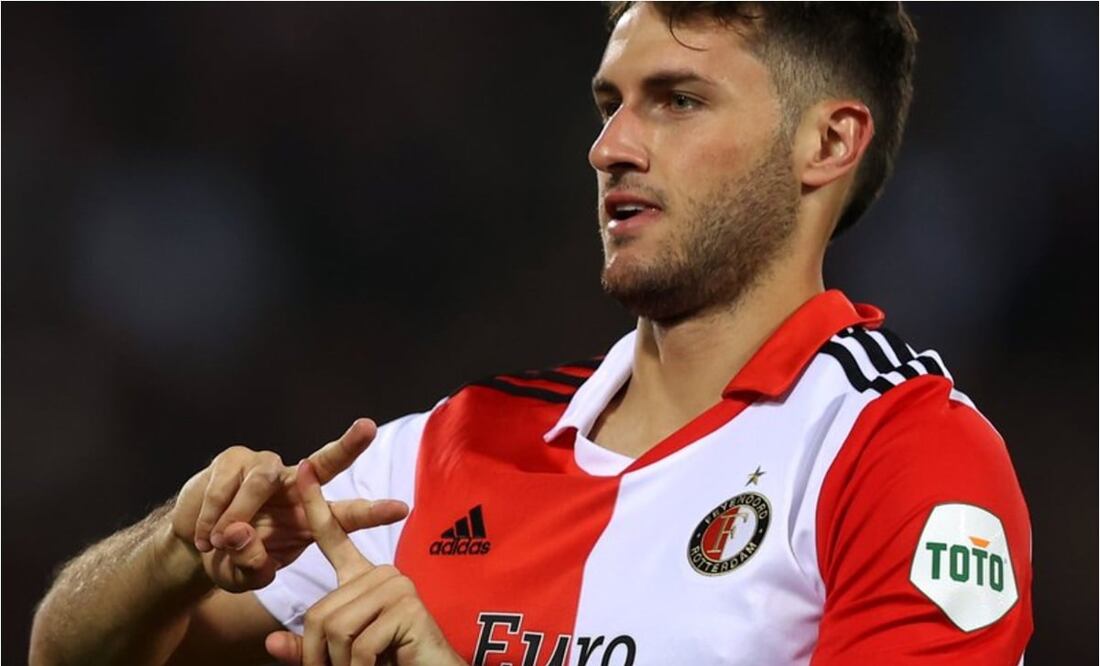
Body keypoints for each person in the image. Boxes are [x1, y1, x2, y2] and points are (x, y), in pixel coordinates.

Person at [29, 2, 1033, 665]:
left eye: (676, 101)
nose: (610, 147)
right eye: (608, 106)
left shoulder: (899, 453)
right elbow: (65, 652)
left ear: (827, 141)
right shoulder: (446, 450)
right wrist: (174, 547)